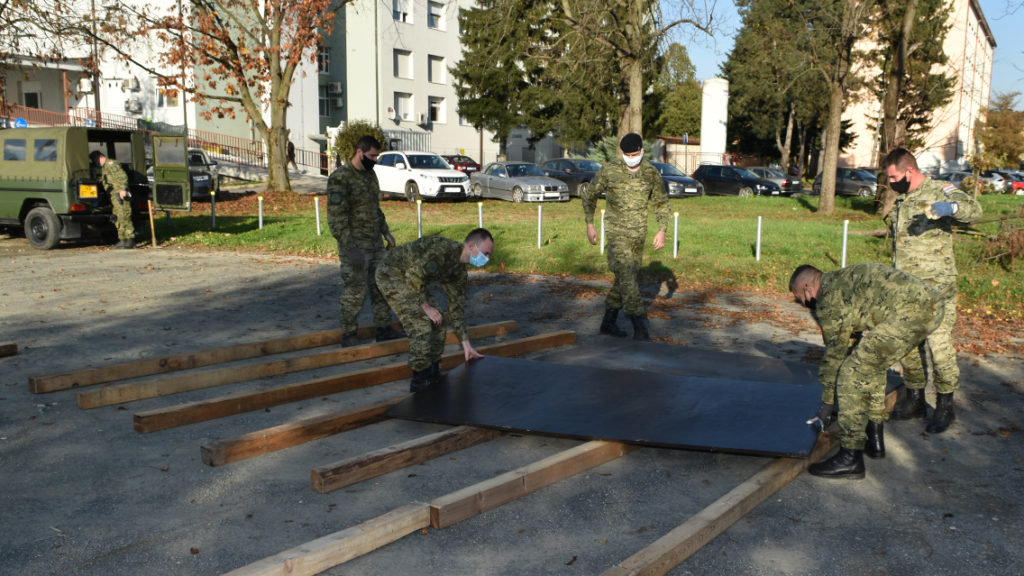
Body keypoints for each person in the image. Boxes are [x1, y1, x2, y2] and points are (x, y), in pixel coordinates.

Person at [791, 263, 944, 479]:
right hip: (932, 304)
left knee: (851, 374)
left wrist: (827, 404)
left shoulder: (828, 299)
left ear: (808, 289)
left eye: (801, 299)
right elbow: (852, 340)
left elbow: (835, 355)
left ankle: (850, 458)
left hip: (909, 313)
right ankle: (874, 441)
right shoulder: (843, 280)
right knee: (870, 363)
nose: (804, 304)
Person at [883, 148, 982, 433]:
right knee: (908, 346)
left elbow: (974, 210)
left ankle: (945, 406)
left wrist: (950, 208)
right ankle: (915, 399)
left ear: (909, 171)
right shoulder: (903, 199)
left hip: (936, 287)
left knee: (939, 347)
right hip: (905, 288)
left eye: (893, 177)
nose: (891, 182)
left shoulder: (941, 189)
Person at [375, 229, 493, 392]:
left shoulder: (458, 270)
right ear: (472, 246)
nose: (487, 259)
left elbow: (456, 309)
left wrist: (466, 344)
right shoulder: (443, 253)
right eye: (486, 253)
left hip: (414, 279)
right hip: (392, 272)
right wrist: (425, 307)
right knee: (421, 322)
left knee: (439, 320)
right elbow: (413, 276)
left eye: (489, 255)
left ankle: (432, 370)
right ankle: (419, 379)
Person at [581, 133, 670, 341]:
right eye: (627, 154)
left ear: (642, 151)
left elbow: (661, 202)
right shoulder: (610, 170)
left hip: (639, 235)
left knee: (625, 280)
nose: (631, 157)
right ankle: (639, 325)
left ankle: (608, 323)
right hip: (616, 233)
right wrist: (590, 224)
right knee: (628, 276)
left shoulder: (650, 172)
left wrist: (662, 230)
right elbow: (589, 194)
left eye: (635, 153)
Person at [326, 135, 404, 347]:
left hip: (375, 243)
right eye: (372, 155)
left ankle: (384, 329)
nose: (375, 159)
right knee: (355, 290)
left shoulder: (371, 175)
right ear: (359, 152)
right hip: (355, 246)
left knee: (381, 285)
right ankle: (349, 334)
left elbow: (375, 208)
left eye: (377, 156)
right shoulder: (340, 178)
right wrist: (350, 248)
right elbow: (336, 218)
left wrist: (385, 232)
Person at [90, 150, 135, 249]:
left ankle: (130, 239)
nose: (96, 163)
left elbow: (122, 176)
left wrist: (123, 189)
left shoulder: (111, 164)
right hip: (114, 195)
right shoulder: (105, 167)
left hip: (120, 194)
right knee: (118, 217)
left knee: (124, 216)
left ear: (97, 158)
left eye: (95, 161)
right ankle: (123, 239)